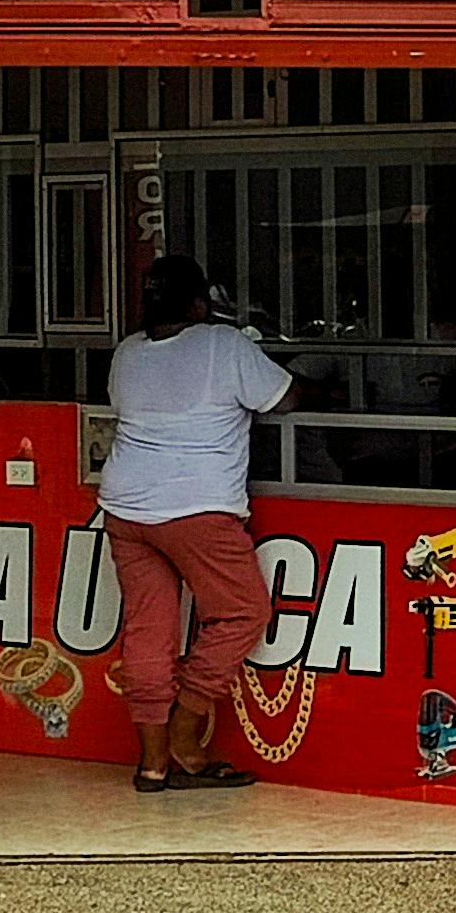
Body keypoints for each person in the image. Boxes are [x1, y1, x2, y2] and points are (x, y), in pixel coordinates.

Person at [97, 254, 294, 791]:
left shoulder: (126, 354)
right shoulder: (223, 345)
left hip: (126, 508)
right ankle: (186, 733)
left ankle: (153, 763)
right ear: (200, 304)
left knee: (147, 632)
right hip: (197, 509)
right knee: (243, 613)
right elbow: (284, 395)